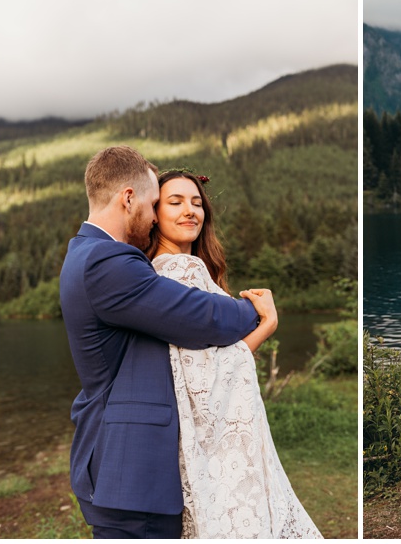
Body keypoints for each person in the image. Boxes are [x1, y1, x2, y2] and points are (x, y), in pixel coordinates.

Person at [60, 146, 271, 538]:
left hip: (130, 470)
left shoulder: (91, 253)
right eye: (157, 202)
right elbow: (201, 317)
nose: (157, 214)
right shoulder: (108, 263)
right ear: (128, 198)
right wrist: (254, 311)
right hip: (130, 472)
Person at [145, 170, 322, 538]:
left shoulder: (172, 271)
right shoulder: (179, 269)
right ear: (154, 213)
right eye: (174, 202)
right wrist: (266, 326)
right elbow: (201, 369)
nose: (189, 211)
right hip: (218, 440)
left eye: (196, 203)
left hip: (208, 430)